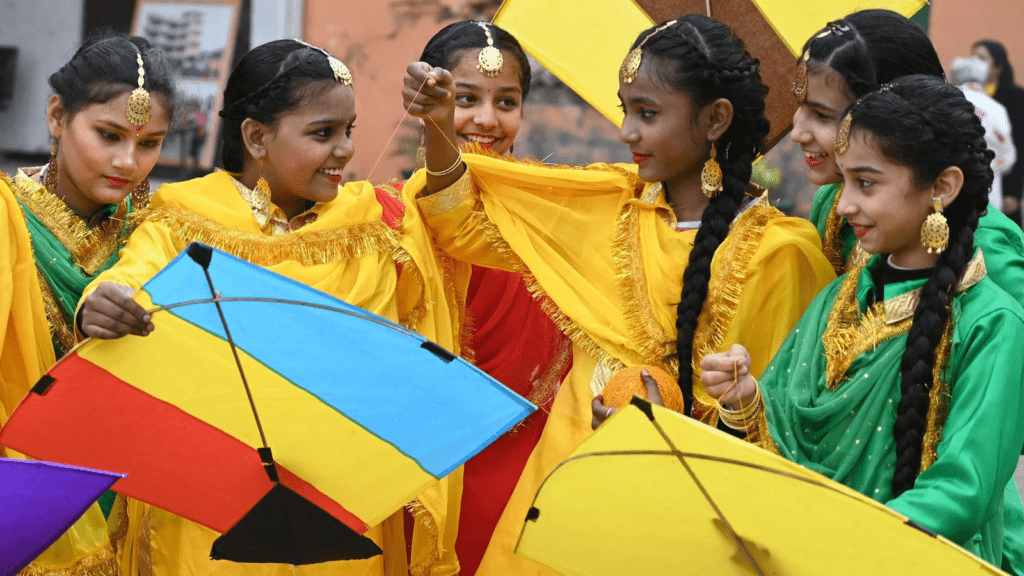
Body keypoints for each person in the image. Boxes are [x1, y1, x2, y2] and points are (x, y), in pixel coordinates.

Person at [402, 15, 835, 574]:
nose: (626, 131)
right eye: (625, 108)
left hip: (670, 526)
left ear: (714, 119)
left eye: (647, 114)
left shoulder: (779, 255)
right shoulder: (610, 200)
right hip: (551, 507)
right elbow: (460, 221)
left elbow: (776, 434)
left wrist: (666, 416)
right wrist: (438, 125)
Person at [78, 39, 461, 576]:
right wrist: (101, 306)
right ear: (257, 137)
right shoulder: (185, 217)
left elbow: (455, 216)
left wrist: (439, 123)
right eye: (323, 133)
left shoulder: (372, 220)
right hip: (211, 511)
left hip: (340, 504)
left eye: (348, 130)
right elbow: (128, 284)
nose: (347, 150)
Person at [701, 75, 1024, 573]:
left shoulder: (993, 323)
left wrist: (841, 551)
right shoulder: (838, 297)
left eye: (866, 183)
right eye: (846, 180)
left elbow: (962, 491)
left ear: (942, 187)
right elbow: (785, 430)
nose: (845, 203)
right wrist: (747, 400)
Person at [379, 21, 573, 576]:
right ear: (430, 101)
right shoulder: (387, 214)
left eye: (505, 102)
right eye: (466, 99)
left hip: (523, 452)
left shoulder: (550, 210)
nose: (487, 120)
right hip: (417, 450)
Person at [0, 33, 174, 576]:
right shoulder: (6, 220)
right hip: (25, 492)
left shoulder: (161, 236)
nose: (128, 161)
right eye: (109, 135)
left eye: (150, 143)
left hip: (136, 491)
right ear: (57, 116)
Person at [792, 11, 1024, 313]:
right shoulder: (832, 203)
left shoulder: (984, 245)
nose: (797, 132)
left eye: (821, 115)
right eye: (800, 108)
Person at [950, 56, 1016, 210]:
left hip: (952, 188)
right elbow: (1009, 156)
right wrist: (990, 164)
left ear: (955, 76)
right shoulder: (997, 109)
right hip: (989, 194)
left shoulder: (950, 99)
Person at [973, 40, 1024, 226]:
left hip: (1003, 184)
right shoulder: (968, 96)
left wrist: (1014, 192)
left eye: (981, 58)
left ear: (997, 67)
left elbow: (1019, 147)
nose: (975, 62)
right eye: (973, 56)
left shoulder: (1015, 98)